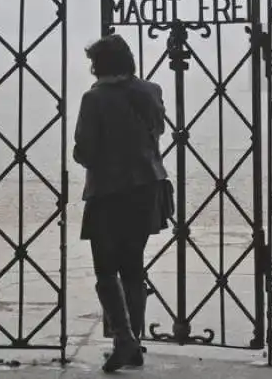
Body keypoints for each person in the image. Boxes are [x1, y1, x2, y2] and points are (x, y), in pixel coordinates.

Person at [73, 34, 170, 373]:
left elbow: (84, 151)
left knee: (105, 268)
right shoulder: (151, 91)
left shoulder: (94, 99)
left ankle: (124, 339)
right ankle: (133, 341)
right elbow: (156, 133)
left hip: (109, 192)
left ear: (100, 65)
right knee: (133, 264)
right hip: (147, 187)